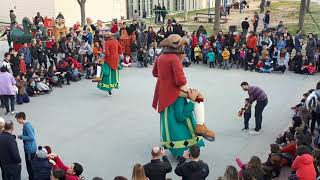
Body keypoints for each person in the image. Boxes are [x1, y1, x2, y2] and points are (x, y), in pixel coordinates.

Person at [152, 34, 213, 157]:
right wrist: (189, 95)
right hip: (174, 90)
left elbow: (155, 73)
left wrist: (166, 78)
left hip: (163, 92)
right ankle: (200, 126)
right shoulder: (174, 59)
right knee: (199, 96)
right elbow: (180, 81)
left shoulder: (160, 57)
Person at [16, 112, 37, 180]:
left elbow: (32, 137)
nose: (17, 121)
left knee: (29, 166)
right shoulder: (27, 125)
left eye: (17, 119)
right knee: (30, 165)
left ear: (21, 118)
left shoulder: (27, 126)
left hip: (29, 150)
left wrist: (22, 136)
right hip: (31, 148)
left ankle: (31, 177)